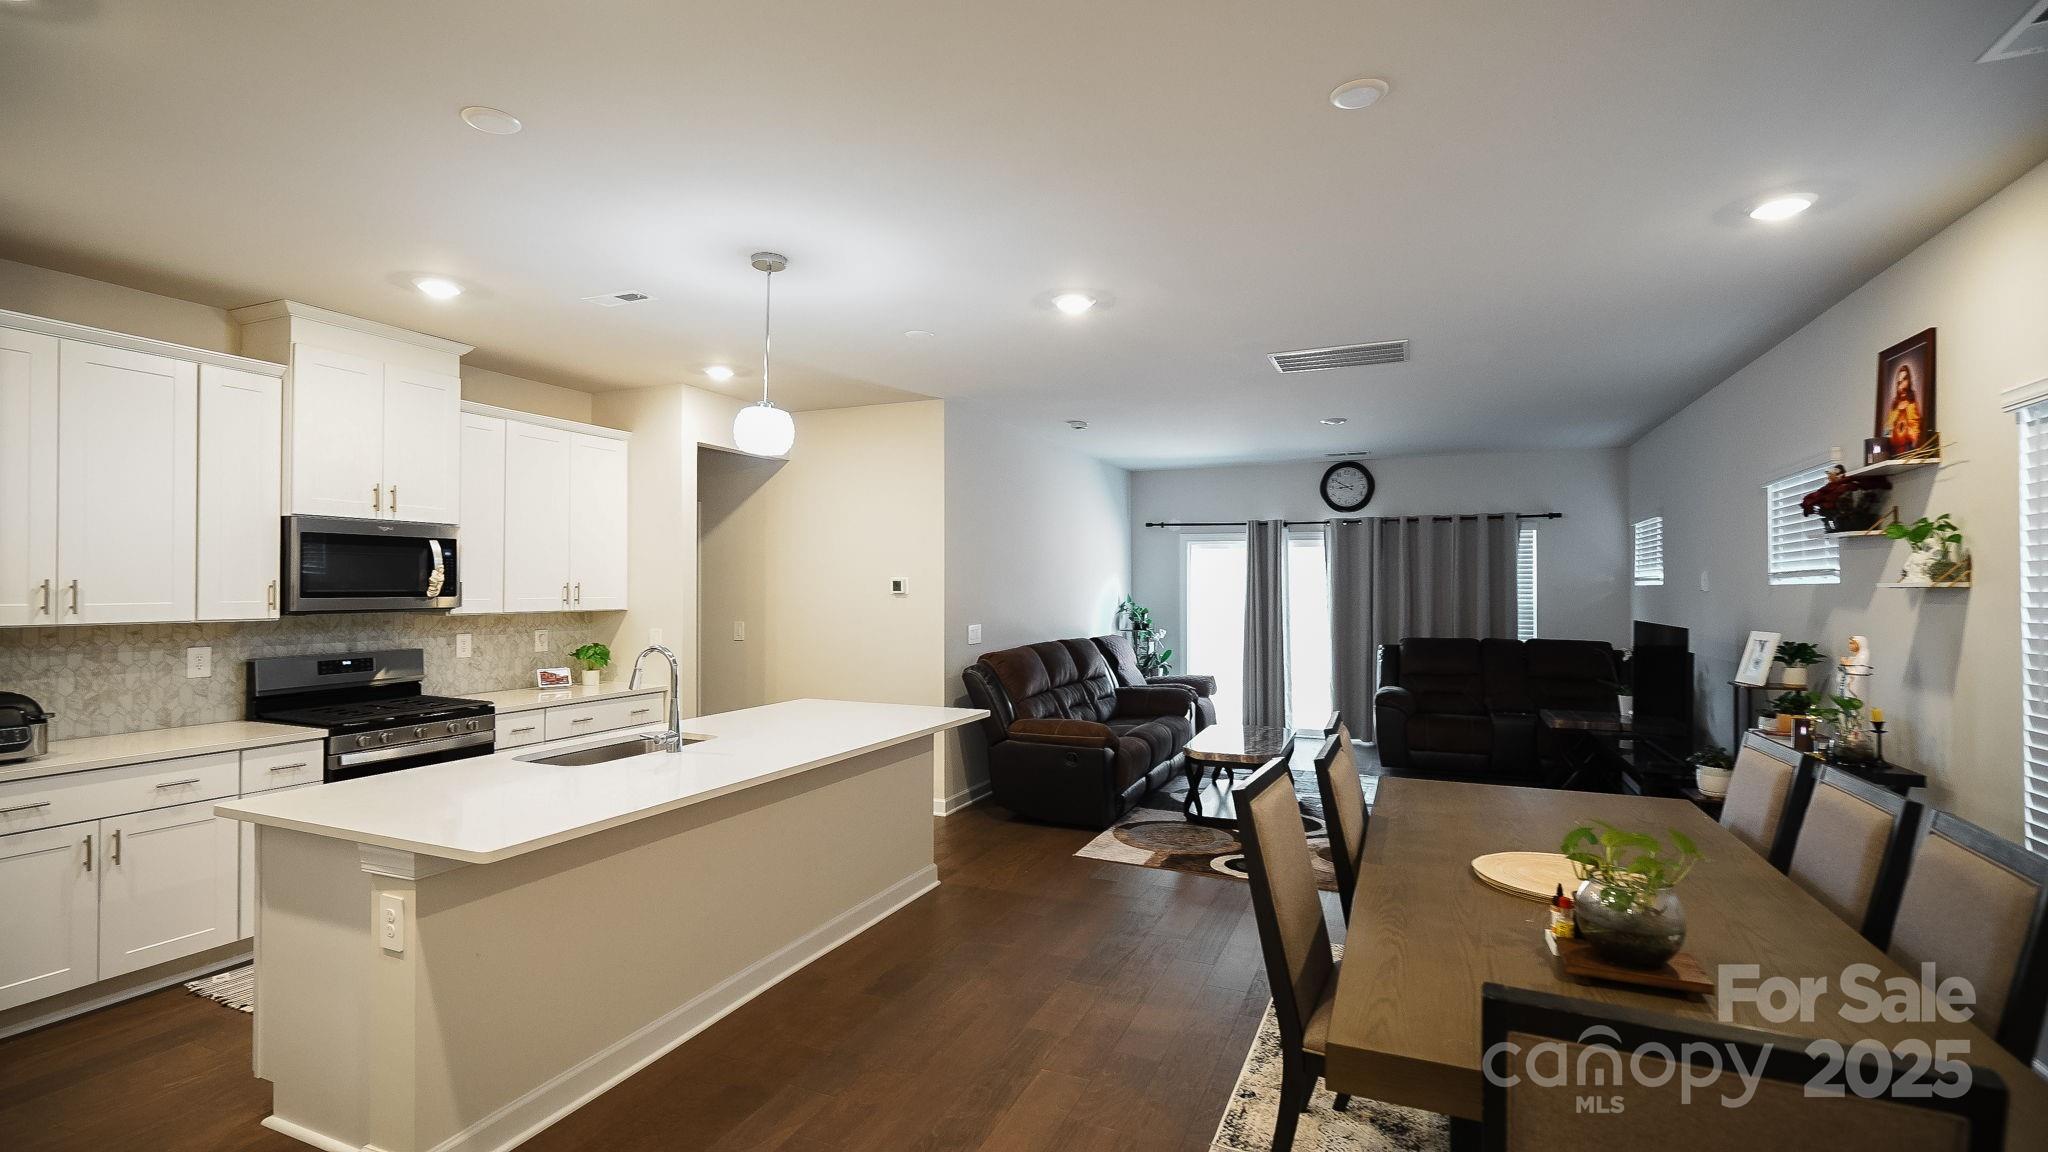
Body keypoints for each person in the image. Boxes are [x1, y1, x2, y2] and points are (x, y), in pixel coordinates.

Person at [1883, 362, 1923, 454]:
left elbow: (1916, 428)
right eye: (1899, 382)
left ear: (1909, 380)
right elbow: (1887, 429)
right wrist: (1898, 410)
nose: (1902, 385)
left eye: (1904, 379)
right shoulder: (1895, 405)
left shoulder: (1912, 403)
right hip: (1894, 448)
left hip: (1909, 447)